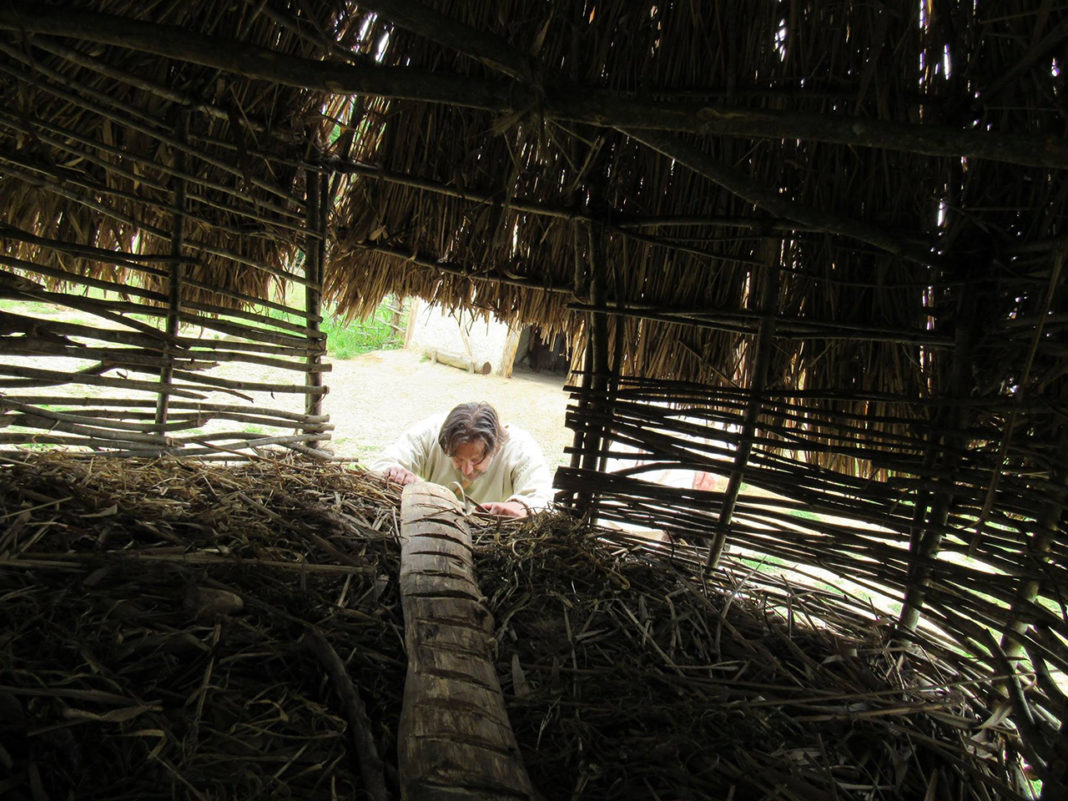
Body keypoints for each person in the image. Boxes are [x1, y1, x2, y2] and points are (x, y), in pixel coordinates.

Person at [370, 401, 553, 517]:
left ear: (496, 447)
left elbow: (542, 497)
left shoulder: (520, 450)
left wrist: (519, 507)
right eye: (457, 459)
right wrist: (396, 472)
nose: (466, 471)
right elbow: (382, 464)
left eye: (476, 460)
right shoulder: (431, 433)